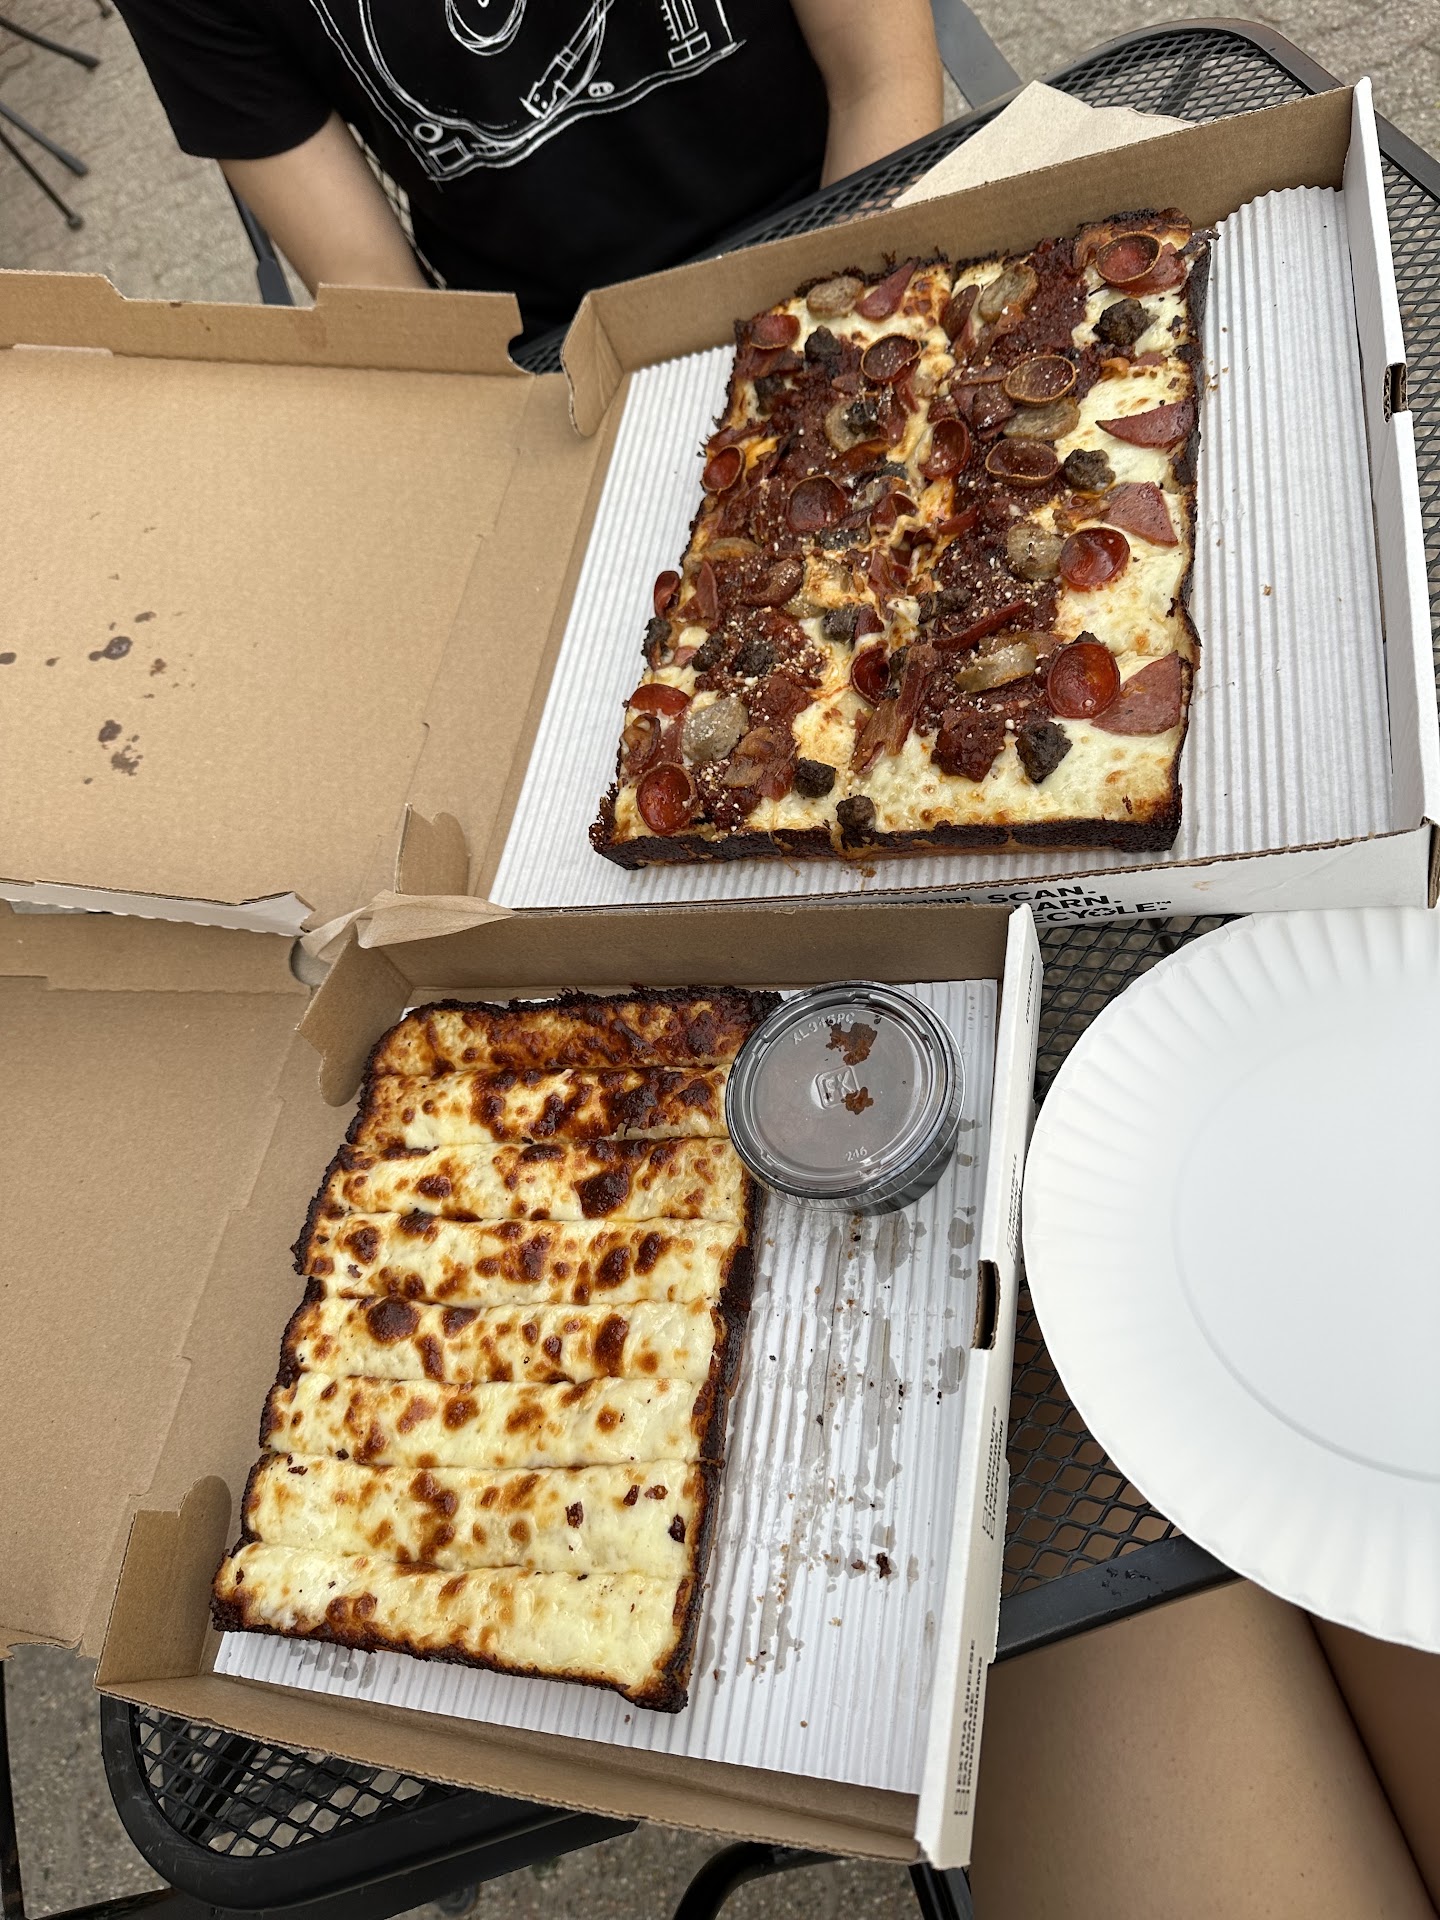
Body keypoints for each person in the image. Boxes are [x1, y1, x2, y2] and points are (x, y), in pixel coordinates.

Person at [114, 0, 945, 340]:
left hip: (839, 218)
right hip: (555, 353)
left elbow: (881, 79)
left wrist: (840, 336)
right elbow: (374, 286)